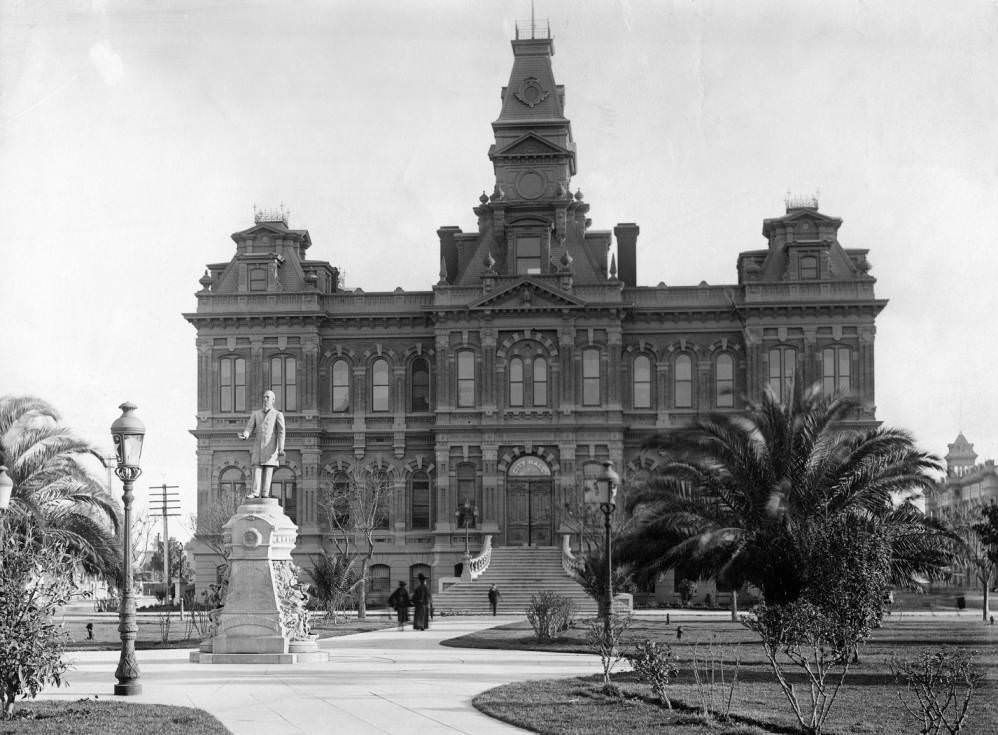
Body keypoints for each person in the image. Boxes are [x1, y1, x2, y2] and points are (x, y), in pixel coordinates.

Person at [237, 390, 286, 498]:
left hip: (271, 446)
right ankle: (255, 492)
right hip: (258, 446)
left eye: (268, 397)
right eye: (264, 397)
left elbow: (281, 432)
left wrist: (281, 448)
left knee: (268, 469)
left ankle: (265, 493)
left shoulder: (278, 414)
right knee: (257, 468)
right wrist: (245, 435)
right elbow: (249, 427)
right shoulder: (256, 414)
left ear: (273, 400)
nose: (265, 399)